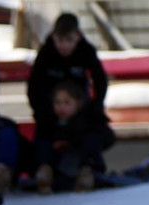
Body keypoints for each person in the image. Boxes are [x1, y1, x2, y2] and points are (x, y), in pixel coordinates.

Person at [27, 11, 107, 143]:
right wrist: (39, 110)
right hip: (51, 108)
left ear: (78, 37)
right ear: (53, 37)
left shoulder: (86, 51)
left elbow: (100, 80)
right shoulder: (46, 52)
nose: (64, 45)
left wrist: (96, 105)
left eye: (69, 40)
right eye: (60, 40)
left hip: (79, 107)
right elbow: (34, 84)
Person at [34, 79, 115, 194]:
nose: (61, 107)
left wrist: (73, 142)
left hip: (83, 160)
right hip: (58, 165)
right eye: (57, 102)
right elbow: (40, 140)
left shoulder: (90, 120)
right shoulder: (49, 122)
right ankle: (45, 172)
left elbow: (106, 137)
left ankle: (86, 174)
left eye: (67, 103)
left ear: (78, 103)